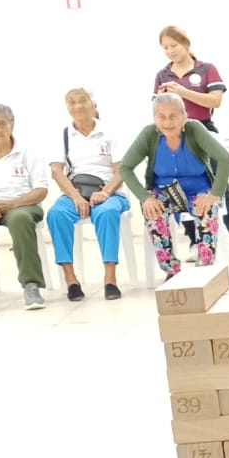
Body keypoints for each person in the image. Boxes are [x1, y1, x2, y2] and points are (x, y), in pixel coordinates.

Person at [120, 94, 229, 279]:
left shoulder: (195, 129)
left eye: (173, 116)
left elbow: (225, 159)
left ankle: (203, 272)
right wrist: (145, 197)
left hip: (199, 191)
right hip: (164, 192)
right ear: (155, 119)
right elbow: (125, 167)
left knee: (208, 212)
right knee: (153, 214)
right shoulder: (149, 134)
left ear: (184, 116)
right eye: (161, 117)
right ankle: (172, 271)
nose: (167, 122)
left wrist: (214, 195)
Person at [153, 25, 229, 245]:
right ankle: (193, 239)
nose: (170, 51)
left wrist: (182, 92)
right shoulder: (163, 75)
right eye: (165, 48)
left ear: (186, 44)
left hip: (203, 130)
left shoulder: (206, 69)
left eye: (174, 45)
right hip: (174, 135)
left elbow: (215, 101)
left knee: (219, 183)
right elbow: (157, 106)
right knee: (180, 185)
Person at [46, 87, 130, 301]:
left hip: (109, 191)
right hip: (76, 191)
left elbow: (122, 170)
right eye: (72, 102)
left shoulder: (110, 133)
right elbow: (57, 171)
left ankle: (110, 279)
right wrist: (75, 196)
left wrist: (105, 192)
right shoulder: (63, 135)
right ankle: (71, 280)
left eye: (82, 100)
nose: (77, 106)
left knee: (106, 213)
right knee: (56, 214)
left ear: (94, 104)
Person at [0, 102, 47, 309]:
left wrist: (11, 204)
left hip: (21, 205)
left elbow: (41, 190)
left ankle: (31, 285)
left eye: (3, 123)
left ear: (12, 125)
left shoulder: (28, 153)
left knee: (20, 219)